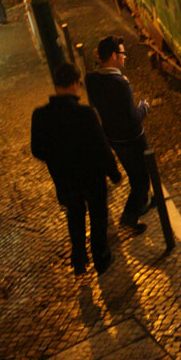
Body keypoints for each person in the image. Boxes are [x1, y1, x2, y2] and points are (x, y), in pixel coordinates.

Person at [31, 61, 120, 276]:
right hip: (91, 176)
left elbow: (37, 150)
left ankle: (79, 259)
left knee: (75, 214)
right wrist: (113, 172)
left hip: (64, 178)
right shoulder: (85, 114)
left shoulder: (40, 116)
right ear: (74, 84)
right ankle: (101, 257)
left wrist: (56, 158)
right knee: (98, 216)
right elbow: (101, 147)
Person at [85, 36, 153, 234]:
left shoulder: (92, 79)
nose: (125, 57)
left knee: (135, 174)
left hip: (114, 139)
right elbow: (133, 118)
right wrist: (144, 108)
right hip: (133, 139)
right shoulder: (120, 84)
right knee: (141, 179)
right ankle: (130, 216)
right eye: (122, 53)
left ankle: (144, 201)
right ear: (114, 56)